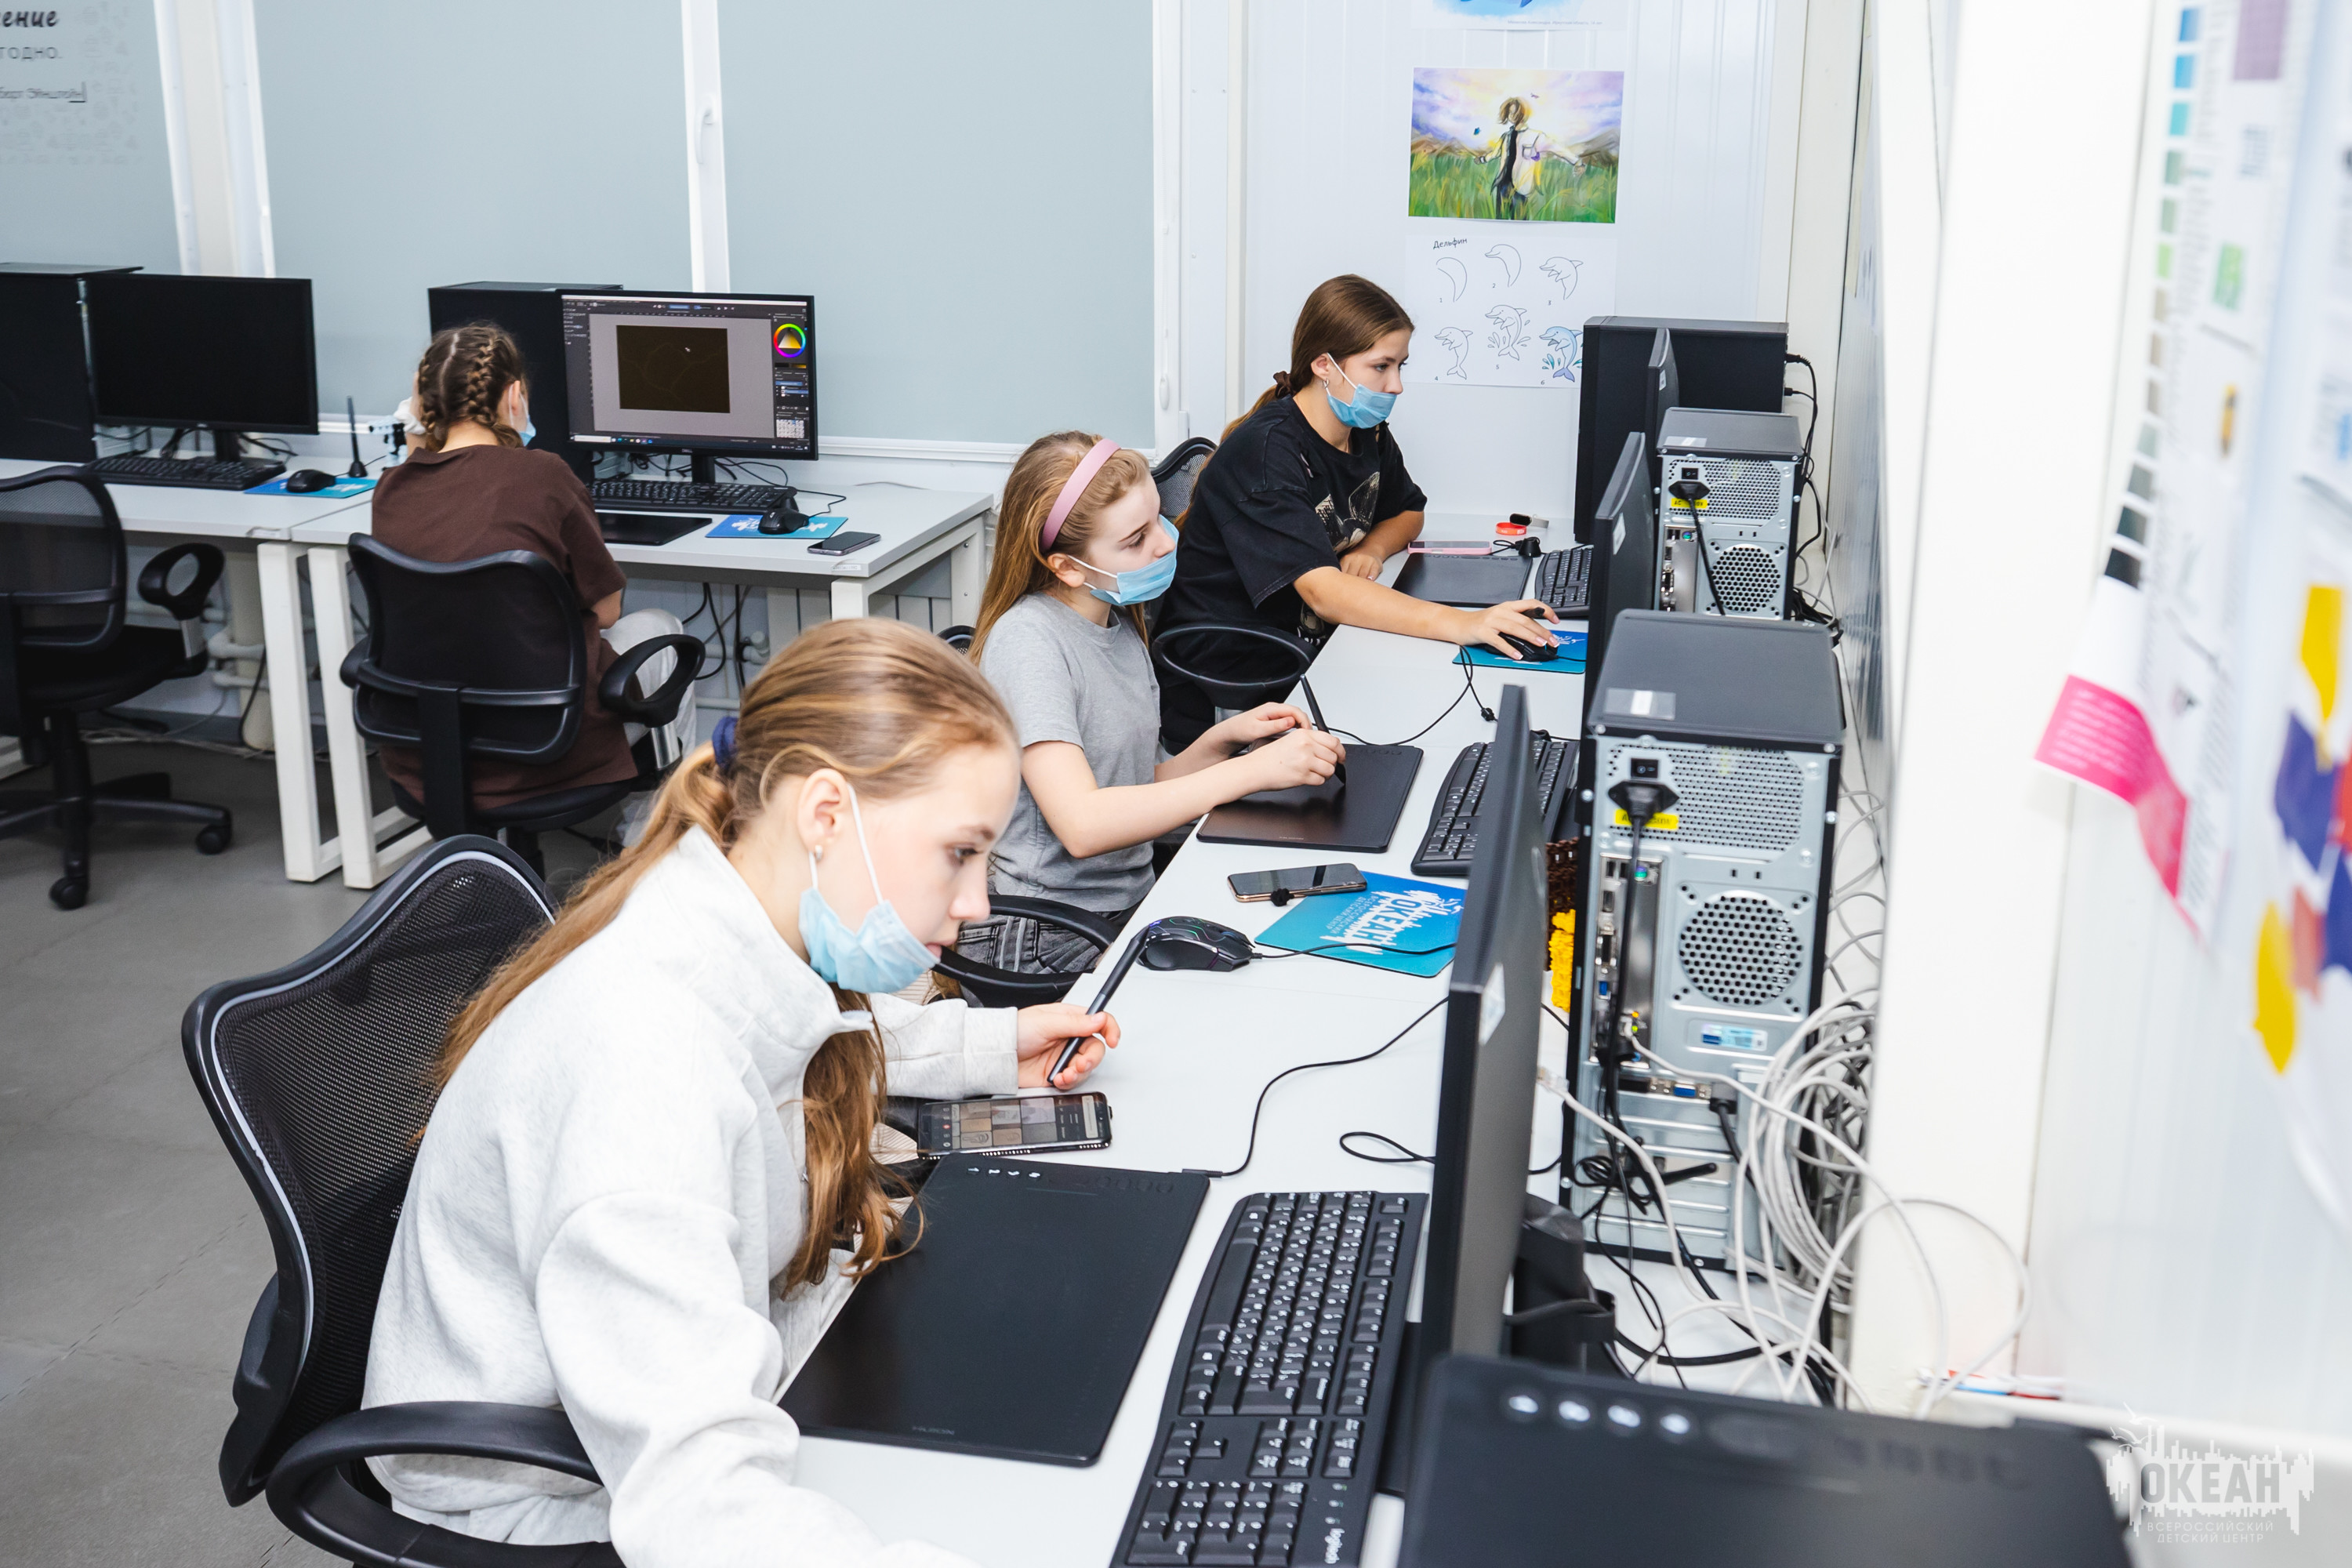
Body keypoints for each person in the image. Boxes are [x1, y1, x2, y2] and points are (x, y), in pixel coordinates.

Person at [363, 619, 1118, 1568]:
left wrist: (993, 1043)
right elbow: (699, 1500)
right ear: (826, 812)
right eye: (960, 853)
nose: (977, 906)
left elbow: (808, 1027)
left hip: (683, 1384)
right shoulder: (642, 1068)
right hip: (552, 1497)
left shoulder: (727, 919)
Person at [959, 432, 1345, 974]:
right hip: (1045, 932)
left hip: (1119, 905)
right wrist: (1250, 773)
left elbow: (1133, 791)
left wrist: (1221, 744)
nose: (1165, 544)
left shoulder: (1116, 625)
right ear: (1067, 567)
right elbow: (1083, 824)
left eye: (1158, 519)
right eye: (1136, 539)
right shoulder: (1029, 642)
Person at [1155, 274, 1555, 749]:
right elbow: (1324, 593)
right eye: (1381, 366)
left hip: (1311, 648)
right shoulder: (1265, 453)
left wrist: (1373, 548)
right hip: (1237, 676)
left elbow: (1409, 511)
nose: (1396, 385)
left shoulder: (1367, 430)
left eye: (1400, 366)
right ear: (1324, 365)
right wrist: (1464, 624)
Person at [368, 323, 691, 811]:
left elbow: (420, 464)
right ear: (515, 395)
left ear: (423, 401)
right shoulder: (543, 475)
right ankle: (651, 837)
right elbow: (607, 612)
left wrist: (418, 422)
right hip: (549, 743)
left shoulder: (390, 489)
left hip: (430, 745)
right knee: (662, 626)